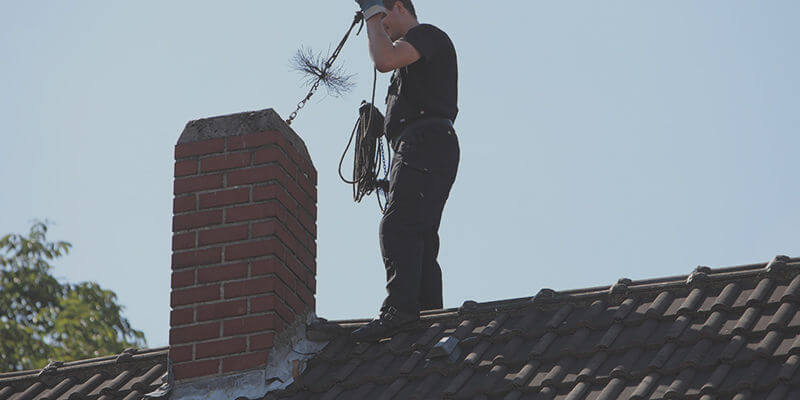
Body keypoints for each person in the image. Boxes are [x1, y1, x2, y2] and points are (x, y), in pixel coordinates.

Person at [351, 0, 460, 342]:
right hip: (423, 143)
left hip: (425, 143)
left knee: (398, 225)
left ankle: (401, 310)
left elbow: (383, 59)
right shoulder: (411, 63)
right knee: (420, 235)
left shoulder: (427, 35)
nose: (381, 27)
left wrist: (370, 11)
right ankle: (426, 314)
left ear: (399, 6)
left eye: (385, 18)